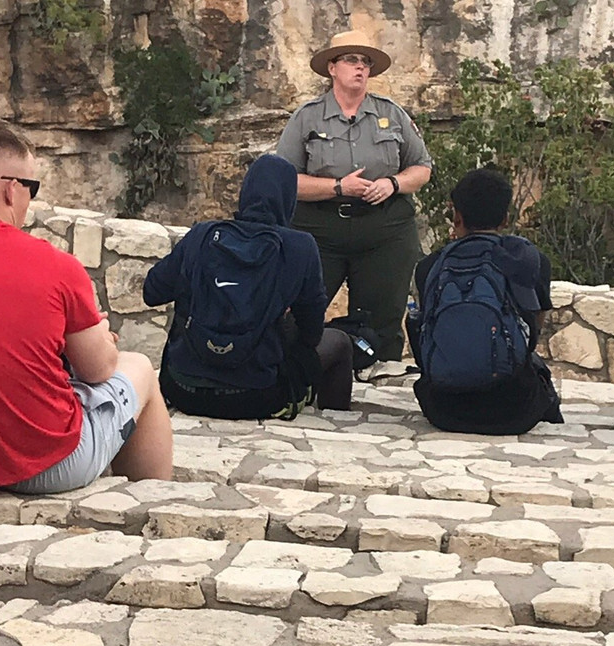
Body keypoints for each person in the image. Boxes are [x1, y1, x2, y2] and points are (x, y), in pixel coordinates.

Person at [0, 118, 173, 493]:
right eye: (31, 188)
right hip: (49, 464)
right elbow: (99, 370)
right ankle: (154, 500)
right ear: (10, 190)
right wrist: (100, 334)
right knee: (139, 368)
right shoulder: (54, 265)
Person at [143, 154, 353, 419]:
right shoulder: (300, 246)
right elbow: (311, 334)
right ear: (289, 199)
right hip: (257, 396)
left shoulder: (202, 235)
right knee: (341, 343)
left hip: (183, 389)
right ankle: (334, 424)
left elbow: (152, 292)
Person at [275, 29, 432, 361]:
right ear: (332, 68)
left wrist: (392, 183)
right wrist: (337, 187)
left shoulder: (393, 115)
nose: (360, 68)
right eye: (351, 60)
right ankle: (294, 371)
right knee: (298, 308)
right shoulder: (307, 117)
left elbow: (422, 167)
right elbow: (284, 180)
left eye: (365, 62)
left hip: (383, 229)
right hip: (319, 229)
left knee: (384, 318)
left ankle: (380, 379)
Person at [408, 168, 563, 434]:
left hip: (443, 409)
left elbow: (422, 334)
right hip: (515, 411)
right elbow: (532, 333)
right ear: (504, 219)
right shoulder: (529, 260)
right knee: (537, 371)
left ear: (457, 216)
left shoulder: (430, 267)